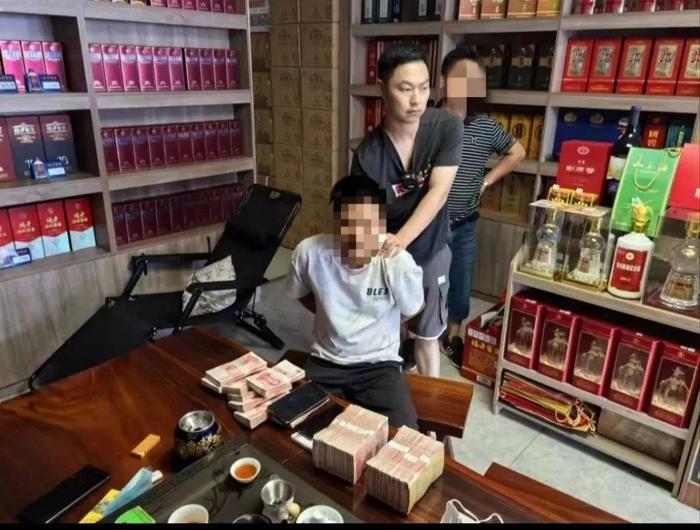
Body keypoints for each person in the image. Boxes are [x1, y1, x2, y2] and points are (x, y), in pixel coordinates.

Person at [351, 43, 463, 377]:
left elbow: (439, 191)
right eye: (405, 89)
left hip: (429, 249)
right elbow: (363, 220)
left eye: (424, 88)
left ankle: (432, 405)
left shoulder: (446, 126)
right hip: (386, 255)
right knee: (388, 328)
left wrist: (400, 240)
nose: (417, 100)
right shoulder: (368, 155)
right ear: (381, 89)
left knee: (427, 336)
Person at [286, 176, 424, 428]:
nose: (361, 236)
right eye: (350, 224)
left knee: (404, 436)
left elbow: (413, 309)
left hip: (380, 366)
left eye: (370, 225)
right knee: (295, 428)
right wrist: (327, 312)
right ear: (336, 222)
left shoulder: (396, 261)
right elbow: (301, 294)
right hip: (325, 362)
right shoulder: (309, 252)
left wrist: (381, 322)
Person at [438, 46, 526, 367]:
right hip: (428, 223)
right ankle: (413, 336)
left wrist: (487, 181)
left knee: (460, 281)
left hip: (464, 223)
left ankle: (452, 336)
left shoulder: (485, 126)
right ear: (444, 79)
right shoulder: (428, 119)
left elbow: (518, 152)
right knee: (419, 280)